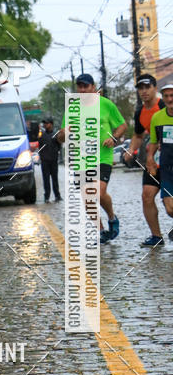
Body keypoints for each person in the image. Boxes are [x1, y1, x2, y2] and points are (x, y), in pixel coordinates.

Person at [56, 73, 127, 244]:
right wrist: (64, 133)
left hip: (103, 155)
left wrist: (114, 138)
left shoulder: (106, 105)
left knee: (98, 192)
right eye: (80, 87)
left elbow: (122, 125)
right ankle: (101, 231)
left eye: (86, 86)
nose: (82, 90)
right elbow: (60, 138)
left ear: (93, 88)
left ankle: (112, 217)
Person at [124, 73, 165, 247]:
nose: (144, 91)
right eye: (140, 88)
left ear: (155, 88)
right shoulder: (140, 111)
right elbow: (138, 135)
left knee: (169, 203)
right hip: (153, 161)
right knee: (147, 196)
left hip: (170, 159)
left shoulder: (165, 104)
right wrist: (131, 148)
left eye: (147, 87)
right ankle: (156, 236)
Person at [147, 83, 173, 242]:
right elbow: (154, 142)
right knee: (170, 208)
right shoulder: (157, 117)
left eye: (172, 95)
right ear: (162, 98)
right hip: (167, 169)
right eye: (167, 96)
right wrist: (150, 158)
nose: (170, 99)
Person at [37, 115, 61, 202]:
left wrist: (56, 154)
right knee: (46, 180)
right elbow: (39, 146)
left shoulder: (56, 134)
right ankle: (46, 197)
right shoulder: (41, 135)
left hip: (54, 161)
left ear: (51, 124)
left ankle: (57, 196)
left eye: (46, 123)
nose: (45, 125)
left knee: (55, 179)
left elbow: (59, 146)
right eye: (44, 123)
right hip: (45, 161)